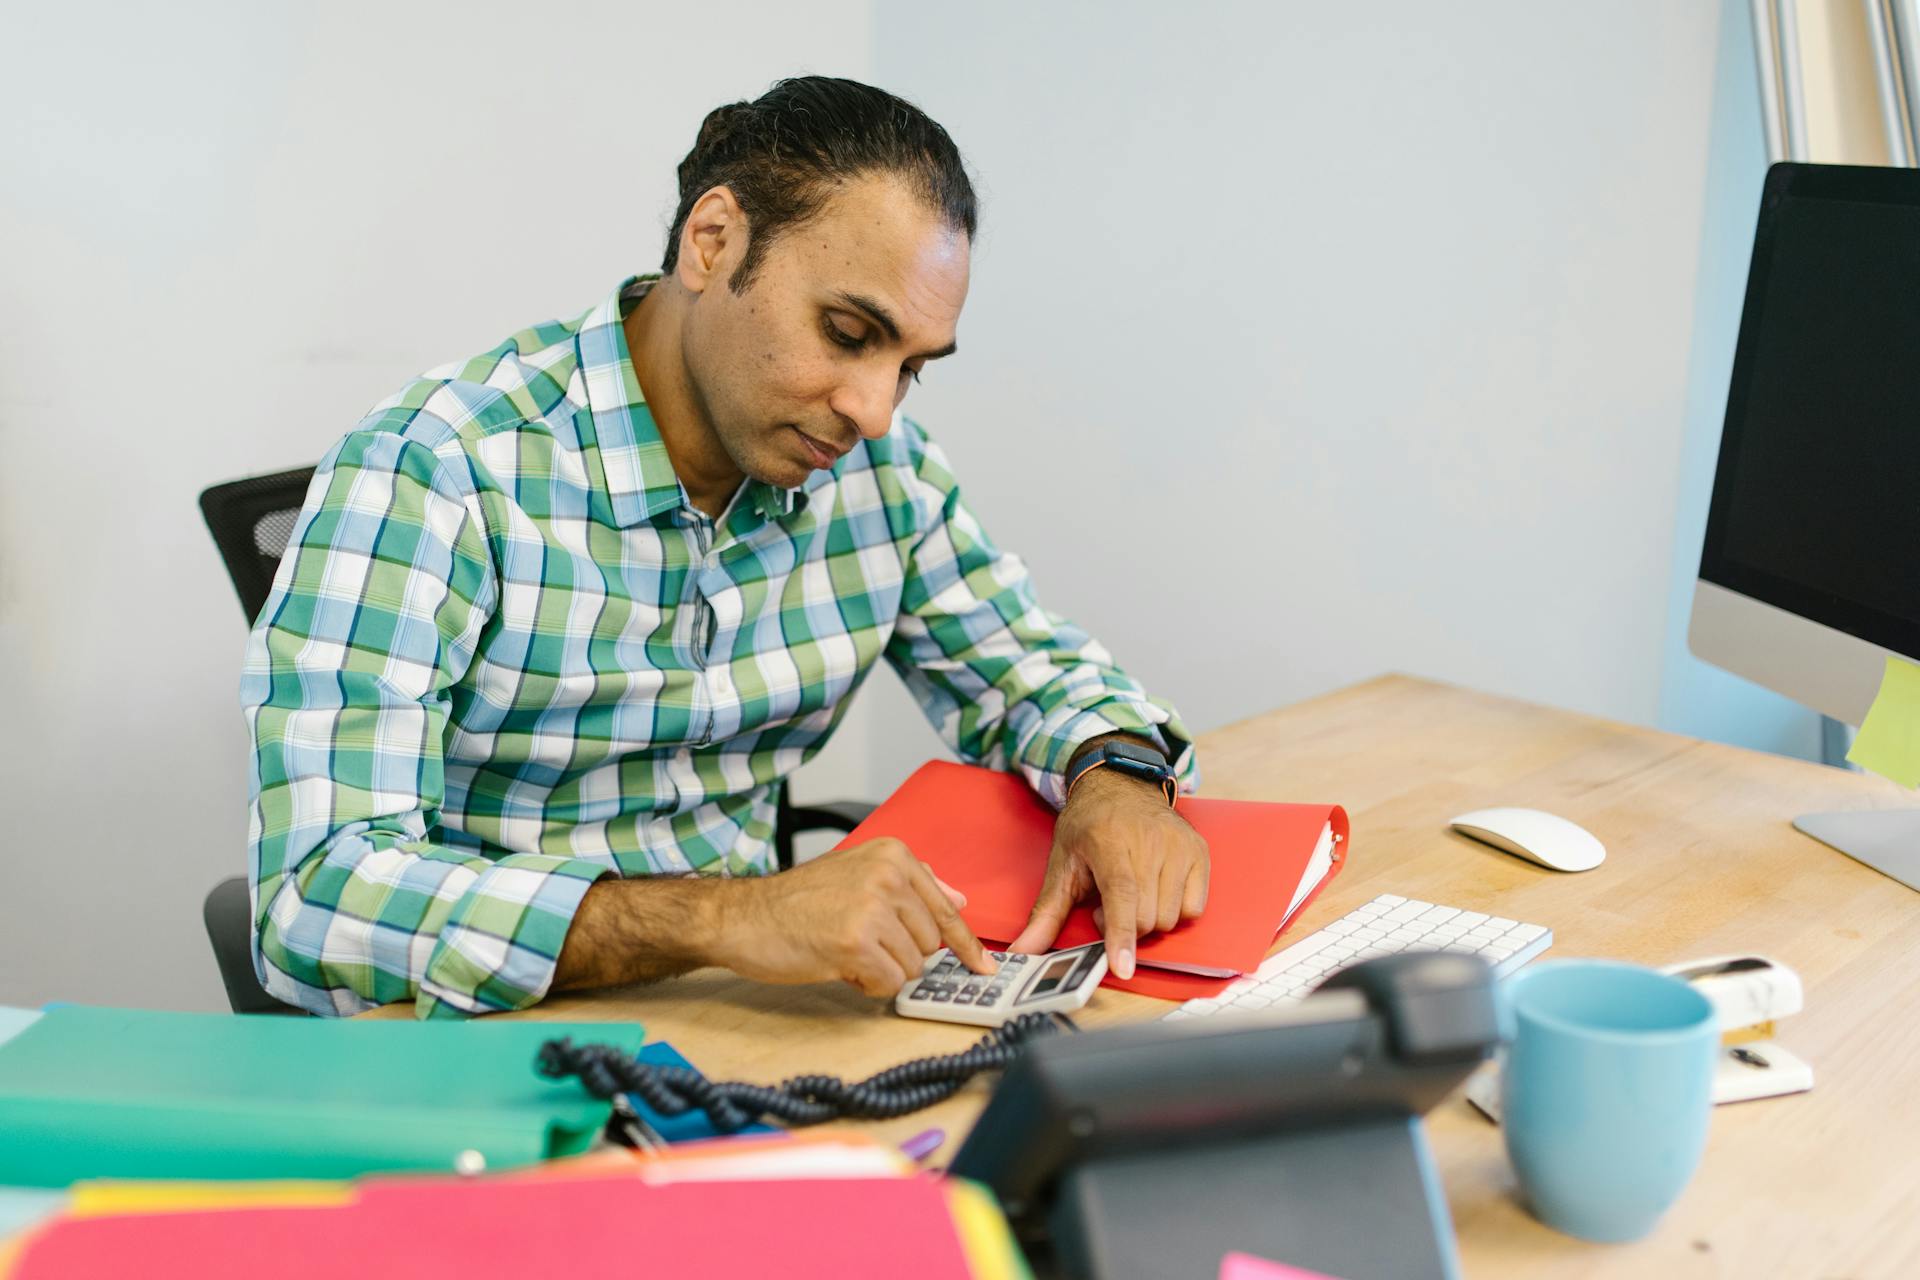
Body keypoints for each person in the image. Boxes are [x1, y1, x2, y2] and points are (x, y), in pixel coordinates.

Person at [241, 76, 1208, 1019]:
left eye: (909, 367)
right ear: (713, 243)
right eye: (846, 332)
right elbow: (317, 895)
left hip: (751, 1026)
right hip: (488, 1052)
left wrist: (1116, 776)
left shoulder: (879, 470)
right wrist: (728, 918)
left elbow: (1028, 669)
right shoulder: (436, 472)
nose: (874, 411)